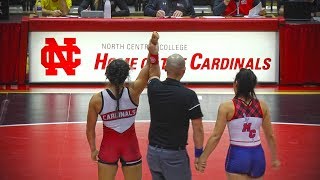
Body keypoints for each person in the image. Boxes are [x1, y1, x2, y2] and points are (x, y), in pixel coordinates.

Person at [86, 31, 160, 180]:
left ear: (107, 74)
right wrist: (152, 50)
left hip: (109, 147)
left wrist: (93, 149)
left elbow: (90, 129)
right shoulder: (134, 92)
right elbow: (149, 68)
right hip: (130, 146)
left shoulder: (96, 99)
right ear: (127, 75)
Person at [197, 68, 281, 179]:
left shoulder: (227, 107)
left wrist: (203, 157)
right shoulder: (262, 106)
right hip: (258, 156)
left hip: (238, 156)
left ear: (236, 83)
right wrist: (274, 158)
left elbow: (216, 136)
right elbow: (270, 135)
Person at [147, 53, 204, 180]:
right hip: (175, 156)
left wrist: (154, 52)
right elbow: (198, 128)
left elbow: (153, 70)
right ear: (183, 71)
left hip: (153, 153)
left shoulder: (153, 87)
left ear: (165, 68)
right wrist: (199, 153)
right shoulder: (189, 95)